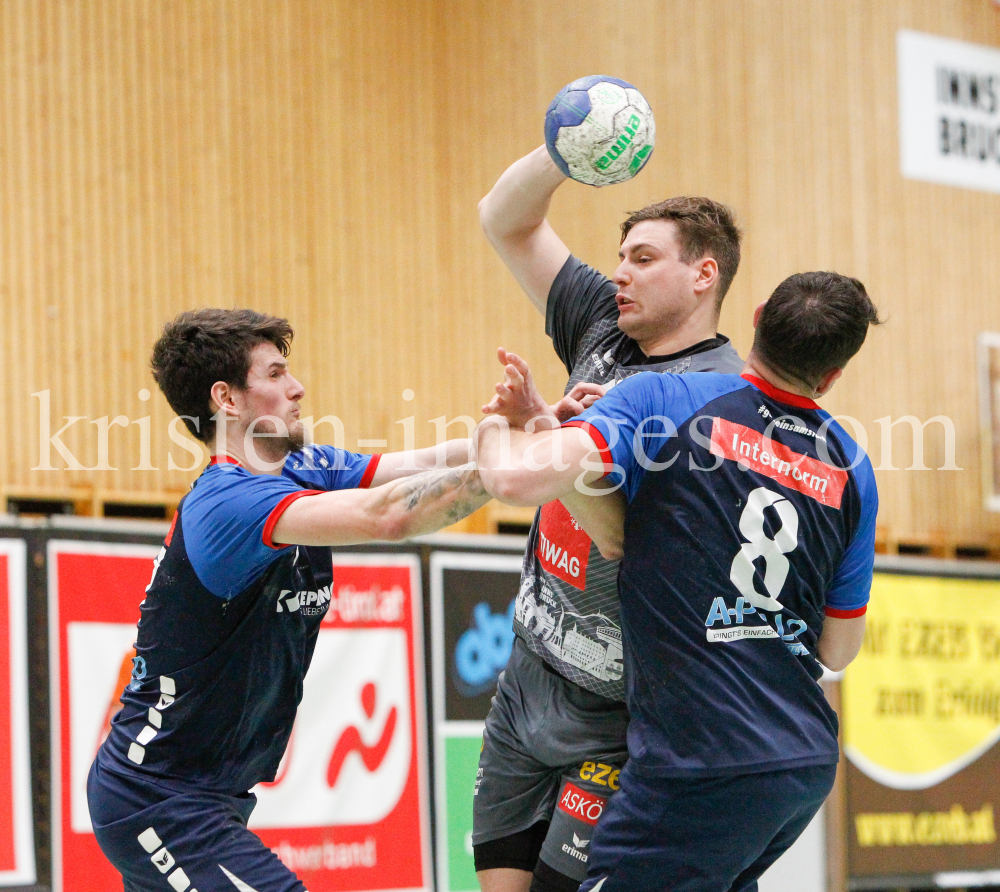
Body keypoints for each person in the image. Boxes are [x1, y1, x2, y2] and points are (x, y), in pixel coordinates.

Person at [476, 271, 881, 892]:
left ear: (757, 315)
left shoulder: (663, 400)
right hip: (798, 763)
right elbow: (838, 651)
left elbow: (517, 484)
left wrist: (503, 433)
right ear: (833, 376)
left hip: (698, 759)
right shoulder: (852, 466)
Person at [86, 308, 491, 892]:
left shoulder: (304, 468)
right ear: (226, 398)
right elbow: (388, 515)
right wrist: (505, 472)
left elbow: (421, 464)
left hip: (206, 797)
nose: (297, 388)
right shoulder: (226, 503)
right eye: (275, 374)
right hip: (160, 800)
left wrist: (532, 435)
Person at [473, 145, 744, 892]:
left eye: (644, 258)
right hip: (529, 679)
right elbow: (505, 218)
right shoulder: (602, 324)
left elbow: (628, 536)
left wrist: (557, 452)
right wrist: (563, 151)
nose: (619, 271)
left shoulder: (724, 399)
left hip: (625, 714)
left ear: (703, 273)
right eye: (619, 256)